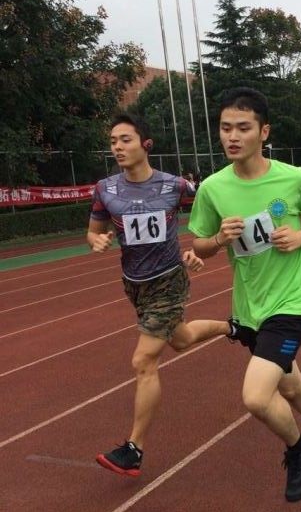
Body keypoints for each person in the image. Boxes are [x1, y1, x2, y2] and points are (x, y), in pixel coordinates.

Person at [188, 88, 301, 503]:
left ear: (264, 132)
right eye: (225, 128)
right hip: (249, 309)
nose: (232, 136)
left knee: (257, 397)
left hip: (291, 303)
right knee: (290, 387)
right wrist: (218, 240)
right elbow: (199, 243)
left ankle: (298, 450)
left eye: (243, 128)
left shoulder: (294, 178)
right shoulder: (212, 188)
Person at [88, 114, 234, 477]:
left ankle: (133, 449)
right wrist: (98, 240)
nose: (117, 147)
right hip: (133, 284)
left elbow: (210, 216)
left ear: (146, 144)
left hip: (168, 280)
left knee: (143, 360)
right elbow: (93, 231)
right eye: (113, 141)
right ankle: (233, 327)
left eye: (125, 140)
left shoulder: (176, 186)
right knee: (180, 339)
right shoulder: (105, 189)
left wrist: (198, 250)